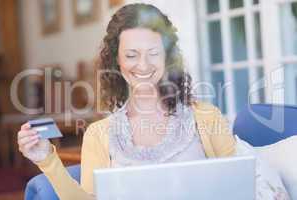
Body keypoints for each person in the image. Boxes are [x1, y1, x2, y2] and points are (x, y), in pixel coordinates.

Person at [17, 3, 289, 200]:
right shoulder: (99, 134)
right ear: (116, 61)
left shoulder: (206, 118)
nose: (143, 65)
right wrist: (48, 160)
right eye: (132, 55)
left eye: (153, 53)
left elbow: (241, 187)